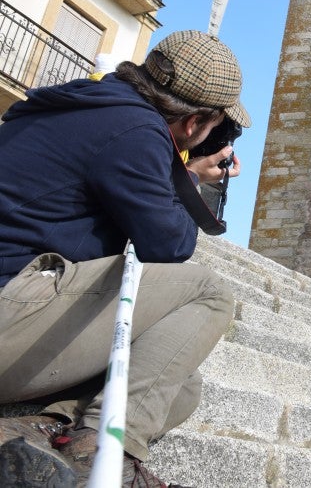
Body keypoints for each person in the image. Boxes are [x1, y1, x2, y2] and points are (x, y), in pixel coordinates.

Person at [0, 30, 249, 486]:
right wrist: (188, 175)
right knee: (210, 293)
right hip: (10, 307)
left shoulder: (89, 104)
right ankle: (101, 450)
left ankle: (40, 430)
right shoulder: (135, 132)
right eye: (217, 127)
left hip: (18, 310)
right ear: (194, 123)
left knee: (178, 385)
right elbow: (169, 246)